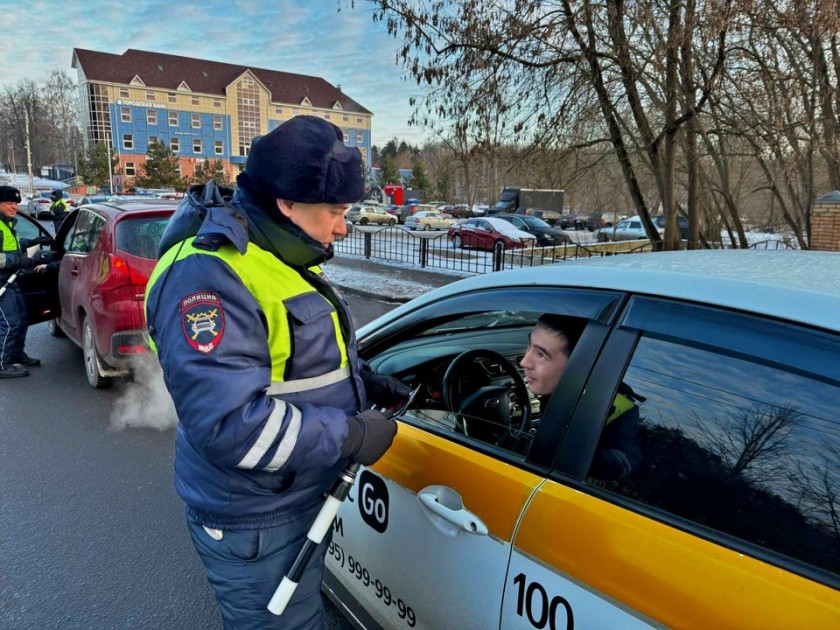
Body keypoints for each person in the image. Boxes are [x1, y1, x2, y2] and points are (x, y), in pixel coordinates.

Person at [145, 115, 410, 629]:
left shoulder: (272, 250)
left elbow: (290, 360)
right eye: (334, 211)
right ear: (287, 203)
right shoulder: (210, 276)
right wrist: (350, 435)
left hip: (286, 500)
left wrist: (362, 384)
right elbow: (229, 424)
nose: (343, 226)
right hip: (254, 520)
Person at [520, 314, 641, 480]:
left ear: (577, 366)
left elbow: (625, 463)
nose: (524, 362)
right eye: (529, 346)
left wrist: (565, 449)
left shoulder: (620, 409)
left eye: (541, 354)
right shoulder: (562, 394)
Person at [0, 185, 41, 378]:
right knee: (10, 323)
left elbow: (10, 247)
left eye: (16, 203)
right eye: (9, 202)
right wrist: (18, 261)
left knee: (22, 318)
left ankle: (16, 355)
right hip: (2, 283)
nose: (14, 206)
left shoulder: (7, 224)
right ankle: (2, 364)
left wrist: (30, 243)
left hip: (11, 280)